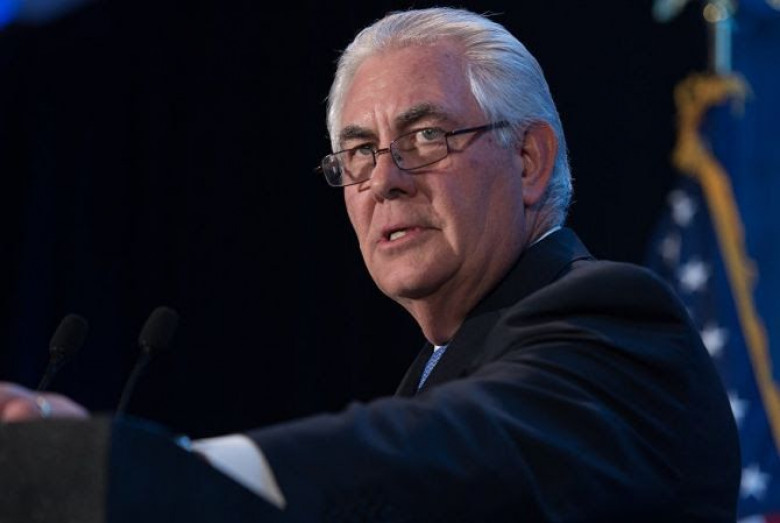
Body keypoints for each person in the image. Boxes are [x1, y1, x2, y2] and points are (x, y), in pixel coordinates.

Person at [0, 7, 739, 522]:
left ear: (527, 160)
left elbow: (432, 457)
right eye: (358, 152)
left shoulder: (616, 323)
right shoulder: (439, 367)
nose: (384, 180)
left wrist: (123, 468)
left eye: (426, 136)